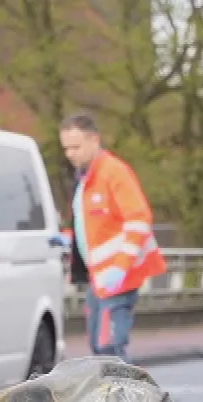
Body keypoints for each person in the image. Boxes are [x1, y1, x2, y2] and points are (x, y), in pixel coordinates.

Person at [59, 114, 166, 359]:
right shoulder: (86, 179)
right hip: (101, 279)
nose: (70, 154)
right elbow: (89, 225)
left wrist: (120, 267)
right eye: (66, 148)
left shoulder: (113, 173)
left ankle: (127, 396)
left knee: (109, 349)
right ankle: (117, 395)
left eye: (76, 147)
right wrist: (67, 238)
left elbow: (138, 220)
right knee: (100, 348)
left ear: (94, 140)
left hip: (119, 277)